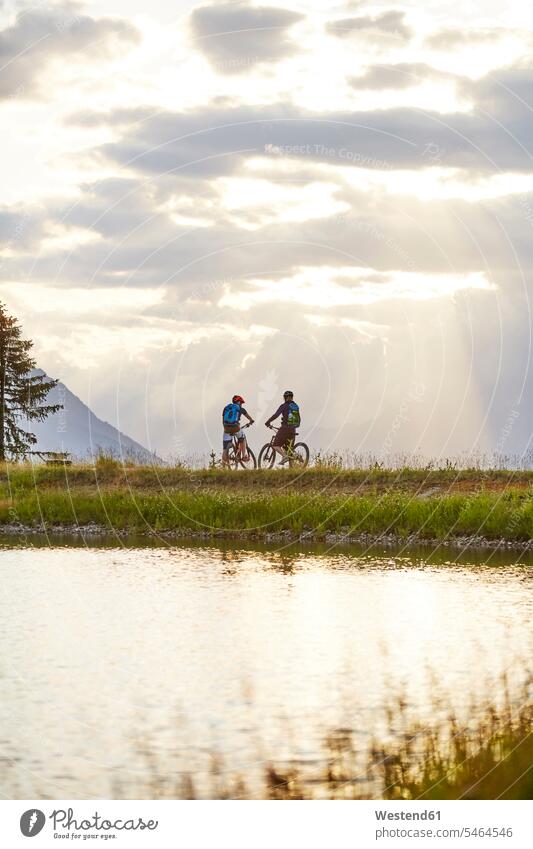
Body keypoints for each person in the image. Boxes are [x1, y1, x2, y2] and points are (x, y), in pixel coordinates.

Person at [264, 390, 301, 465]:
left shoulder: (284, 406)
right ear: (292, 397)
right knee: (288, 449)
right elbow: (299, 418)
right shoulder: (295, 406)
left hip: (285, 428)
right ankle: (296, 458)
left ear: (285, 397)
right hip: (293, 429)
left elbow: (276, 415)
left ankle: (284, 457)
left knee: (275, 445)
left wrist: (268, 422)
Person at [222, 395, 254, 465]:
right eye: (241, 403)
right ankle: (244, 456)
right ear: (239, 402)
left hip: (226, 428)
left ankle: (223, 465)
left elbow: (223, 420)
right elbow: (247, 416)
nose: (241, 404)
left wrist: (226, 428)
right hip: (235, 427)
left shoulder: (226, 408)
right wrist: (251, 420)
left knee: (225, 449)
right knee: (242, 438)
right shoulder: (239, 408)